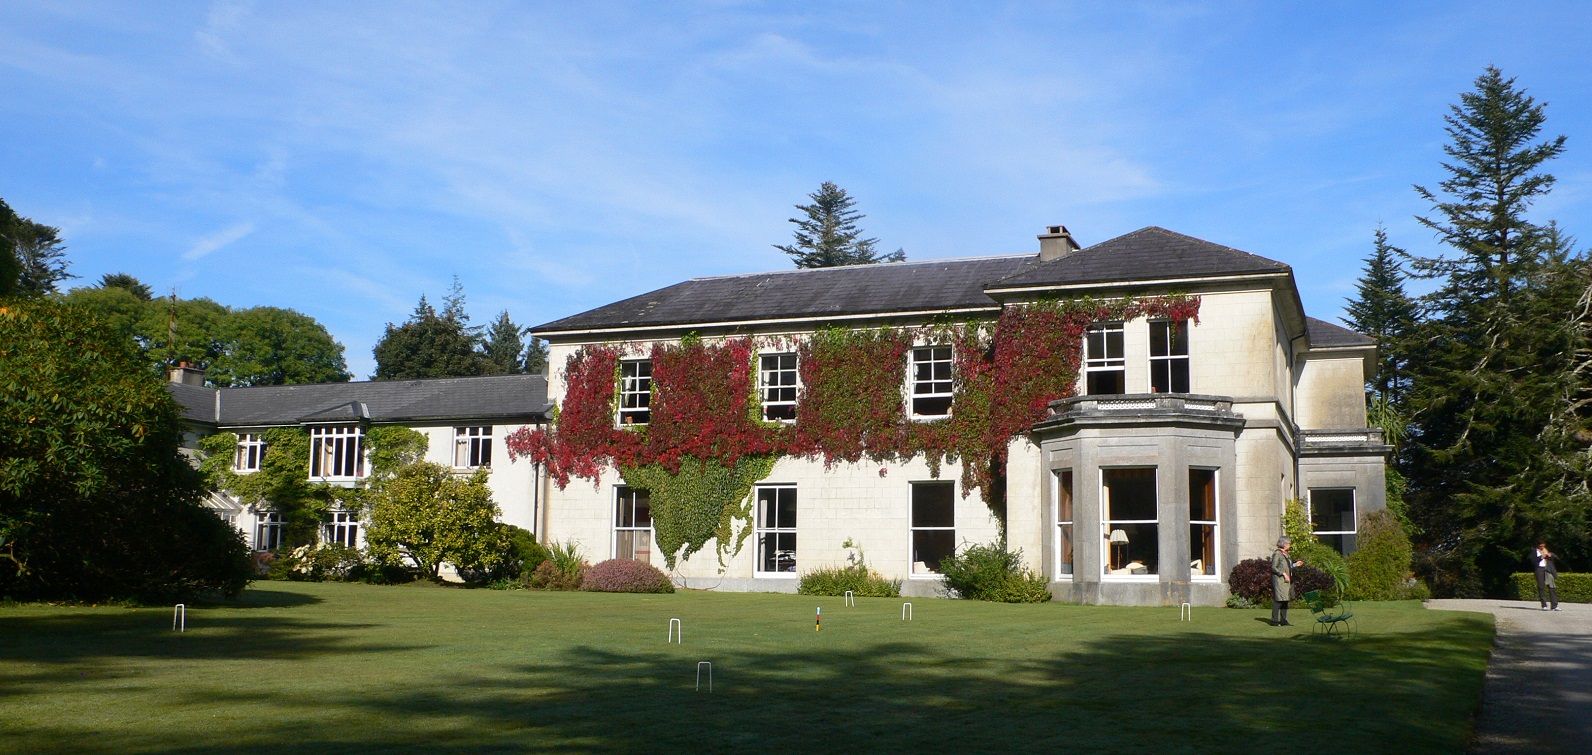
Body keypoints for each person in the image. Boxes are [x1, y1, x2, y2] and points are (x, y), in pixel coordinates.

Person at [1271, 536, 1304, 626]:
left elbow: (1287, 566)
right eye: (1289, 543)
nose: (1290, 545)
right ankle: (1274, 620)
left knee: (1285, 600)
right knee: (1279, 600)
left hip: (1287, 580)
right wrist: (1283, 574)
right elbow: (1274, 567)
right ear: (1284, 544)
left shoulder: (1286, 554)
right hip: (1280, 580)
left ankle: (1283, 620)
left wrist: (1295, 565)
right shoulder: (1277, 554)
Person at [1534, 541, 1561, 612]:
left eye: (1543, 546)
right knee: (1541, 587)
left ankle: (1554, 605)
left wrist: (1550, 555)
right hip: (1539, 569)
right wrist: (1541, 557)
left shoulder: (1546, 550)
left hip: (1547, 569)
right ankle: (1544, 605)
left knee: (1552, 587)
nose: (1542, 547)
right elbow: (1532, 561)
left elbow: (1557, 557)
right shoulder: (1534, 552)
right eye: (1541, 546)